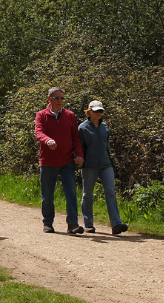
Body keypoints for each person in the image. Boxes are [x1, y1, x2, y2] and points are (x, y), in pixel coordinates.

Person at [35, 87, 85, 234]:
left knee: (71, 192)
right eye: (56, 98)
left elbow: (75, 137)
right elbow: (38, 132)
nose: (60, 101)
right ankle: (48, 223)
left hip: (67, 161)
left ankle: (73, 224)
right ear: (49, 98)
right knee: (48, 194)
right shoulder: (41, 115)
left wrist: (79, 155)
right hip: (48, 161)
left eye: (62, 98)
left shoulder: (70, 115)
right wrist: (47, 140)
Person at [79, 100, 128, 235]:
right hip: (89, 165)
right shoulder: (82, 128)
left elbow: (107, 146)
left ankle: (116, 224)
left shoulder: (105, 127)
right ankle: (88, 224)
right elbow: (80, 147)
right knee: (88, 194)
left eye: (101, 111)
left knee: (111, 192)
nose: (99, 113)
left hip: (106, 165)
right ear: (89, 112)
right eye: (96, 111)